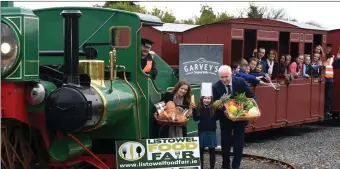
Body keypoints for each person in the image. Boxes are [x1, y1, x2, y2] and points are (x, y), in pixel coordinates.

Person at [212, 65, 255, 169]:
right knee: (225, 143)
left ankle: (236, 166)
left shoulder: (240, 81)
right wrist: (224, 111)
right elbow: (216, 104)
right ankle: (225, 165)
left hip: (240, 118)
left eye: (226, 76)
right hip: (225, 119)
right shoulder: (216, 87)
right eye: (221, 77)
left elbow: (252, 96)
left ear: (231, 74)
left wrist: (246, 108)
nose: (224, 79)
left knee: (238, 144)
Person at [192, 83, 218, 169]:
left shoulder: (214, 108)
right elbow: (196, 119)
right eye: (205, 98)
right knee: (200, 150)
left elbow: (217, 118)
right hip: (202, 131)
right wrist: (193, 110)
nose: (207, 100)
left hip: (211, 131)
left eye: (209, 98)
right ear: (202, 99)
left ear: (211, 99)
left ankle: (212, 167)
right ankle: (200, 166)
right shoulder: (198, 108)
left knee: (212, 151)